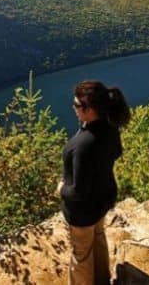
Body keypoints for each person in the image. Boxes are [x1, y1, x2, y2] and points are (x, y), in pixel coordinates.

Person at [58, 80, 131, 285]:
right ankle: (101, 280)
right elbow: (116, 152)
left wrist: (61, 189)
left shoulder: (83, 145)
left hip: (83, 211)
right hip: (103, 199)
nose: (73, 109)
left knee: (81, 254)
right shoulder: (110, 127)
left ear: (90, 109)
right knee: (98, 237)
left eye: (77, 106)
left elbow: (78, 193)